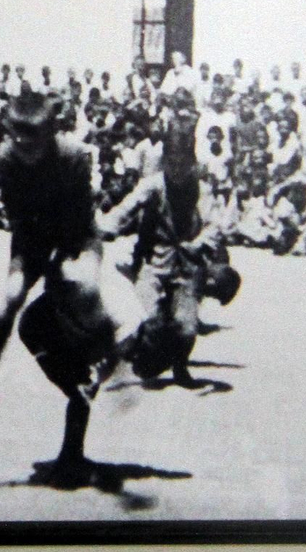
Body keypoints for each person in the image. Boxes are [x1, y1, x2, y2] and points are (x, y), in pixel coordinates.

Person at [0, 91, 143, 488]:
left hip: (76, 238)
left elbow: (79, 220)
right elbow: (20, 222)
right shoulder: (5, 160)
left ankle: (122, 369)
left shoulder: (75, 158)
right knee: (8, 300)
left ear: (50, 130)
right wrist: (29, 270)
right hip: (32, 242)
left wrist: (61, 266)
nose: (24, 143)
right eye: (17, 134)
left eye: (34, 135)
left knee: (82, 283)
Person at [98, 94, 240, 388]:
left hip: (189, 266)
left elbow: (215, 223)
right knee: (152, 322)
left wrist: (199, 242)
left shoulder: (202, 189)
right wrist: (103, 227)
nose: (177, 171)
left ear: (191, 162)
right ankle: (114, 360)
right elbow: (126, 208)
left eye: (183, 164)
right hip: (154, 261)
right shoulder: (152, 185)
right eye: (171, 164)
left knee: (187, 326)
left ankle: (180, 367)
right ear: (164, 162)